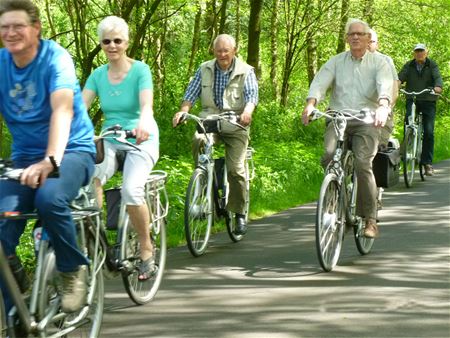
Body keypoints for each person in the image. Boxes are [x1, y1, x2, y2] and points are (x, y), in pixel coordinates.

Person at [0, 0, 95, 313]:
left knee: (48, 198)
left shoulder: (55, 58)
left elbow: (63, 109)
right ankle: (19, 309)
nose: (11, 33)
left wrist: (50, 160)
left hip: (72, 151)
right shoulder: (1, 64)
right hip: (24, 157)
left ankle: (72, 269)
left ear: (36, 28)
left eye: (18, 26)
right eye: (5, 27)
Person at [82, 16, 159, 281]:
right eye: (106, 41)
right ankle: (96, 242)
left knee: (131, 189)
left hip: (140, 137)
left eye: (117, 40)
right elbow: (81, 107)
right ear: (101, 44)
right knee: (91, 182)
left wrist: (143, 122)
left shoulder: (140, 70)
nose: (112, 45)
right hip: (110, 138)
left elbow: (146, 104)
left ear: (126, 42)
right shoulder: (97, 75)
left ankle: (146, 248)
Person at [302, 18, 393, 238]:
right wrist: (310, 104)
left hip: (366, 119)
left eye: (359, 34)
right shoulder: (336, 62)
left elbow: (385, 85)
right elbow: (320, 82)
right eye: (351, 34)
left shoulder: (379, 63)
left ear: (368, 38)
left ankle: (370, 219)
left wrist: (382, 106)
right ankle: (336, 200)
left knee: (363, 164)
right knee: (329, 155)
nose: (355, 37)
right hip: (338, 116)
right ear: (346, 38)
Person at [172, 34, 258, 235]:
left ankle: (239, 213)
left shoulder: (246, 71)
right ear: (213, 51)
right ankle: (204, 181)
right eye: (218, 50)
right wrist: (183, 110)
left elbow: (252, 96)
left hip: (236, 123)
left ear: (234, 50)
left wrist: (247, 112)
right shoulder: (205, 68)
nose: (222, 54)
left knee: (236, 169)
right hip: (210, 119)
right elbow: (191, 93)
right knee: (198, 140)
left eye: (226, 50)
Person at [398, 43, 443, 176]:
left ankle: (427, 163)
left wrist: (438, 86)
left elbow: (438, 77)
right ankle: (406, 150)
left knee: (429, 132)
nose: (419, 54)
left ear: (426, 52)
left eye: (421, 51)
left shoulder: (431, 65)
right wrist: (396, 84)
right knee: (407, 123)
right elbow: (400, 77)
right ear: (414, 53)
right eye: (417, 51)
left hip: (428, 99)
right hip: (412, 98)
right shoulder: (409, 65)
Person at [368, 29, 399, 148]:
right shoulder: (352, 59)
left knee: (378, 148)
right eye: (367, 41)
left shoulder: (386, 60)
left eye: (372, 41)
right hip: (358, 112)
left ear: (377, 44)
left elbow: (395, 86)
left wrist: (387, 108)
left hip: (381, 109)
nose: (369, 44)